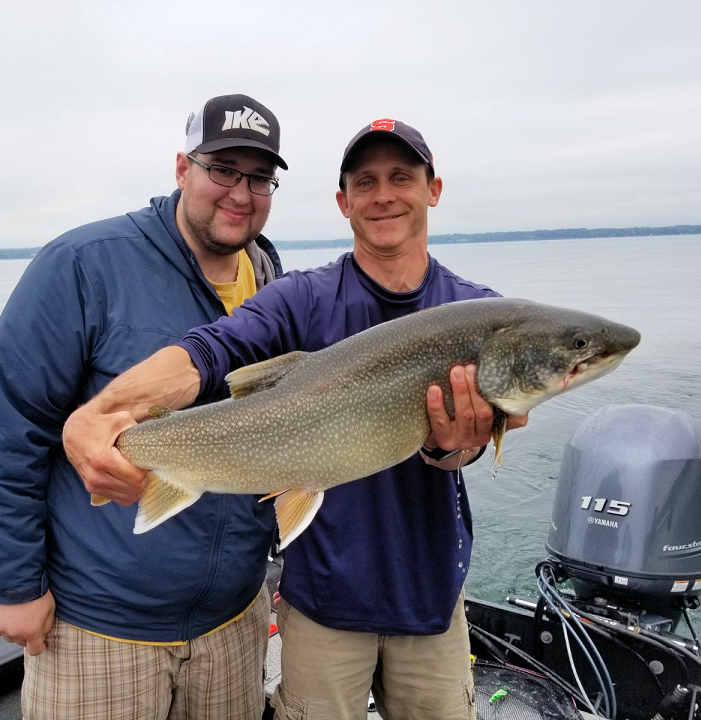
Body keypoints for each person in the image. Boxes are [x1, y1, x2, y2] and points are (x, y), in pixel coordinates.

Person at [62, 117, 529, 719]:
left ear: (433, 188)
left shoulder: (477, 314)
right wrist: (103, 413)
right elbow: (210, 350)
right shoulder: (302, 297)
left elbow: (468, 443)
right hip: (321, 604)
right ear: (343, 202)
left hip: (431, 599)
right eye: (365, 182)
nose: (383, 194)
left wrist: (452, 449)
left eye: (401, 177)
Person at [0, 93, 289, 720]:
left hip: (234, 623)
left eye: (258, 177)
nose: (240, 194)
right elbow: (8, 427)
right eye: (222, 170)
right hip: (101, 629)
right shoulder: (85, 265)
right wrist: (13, 586)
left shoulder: (272, 280)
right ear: (181, 168)